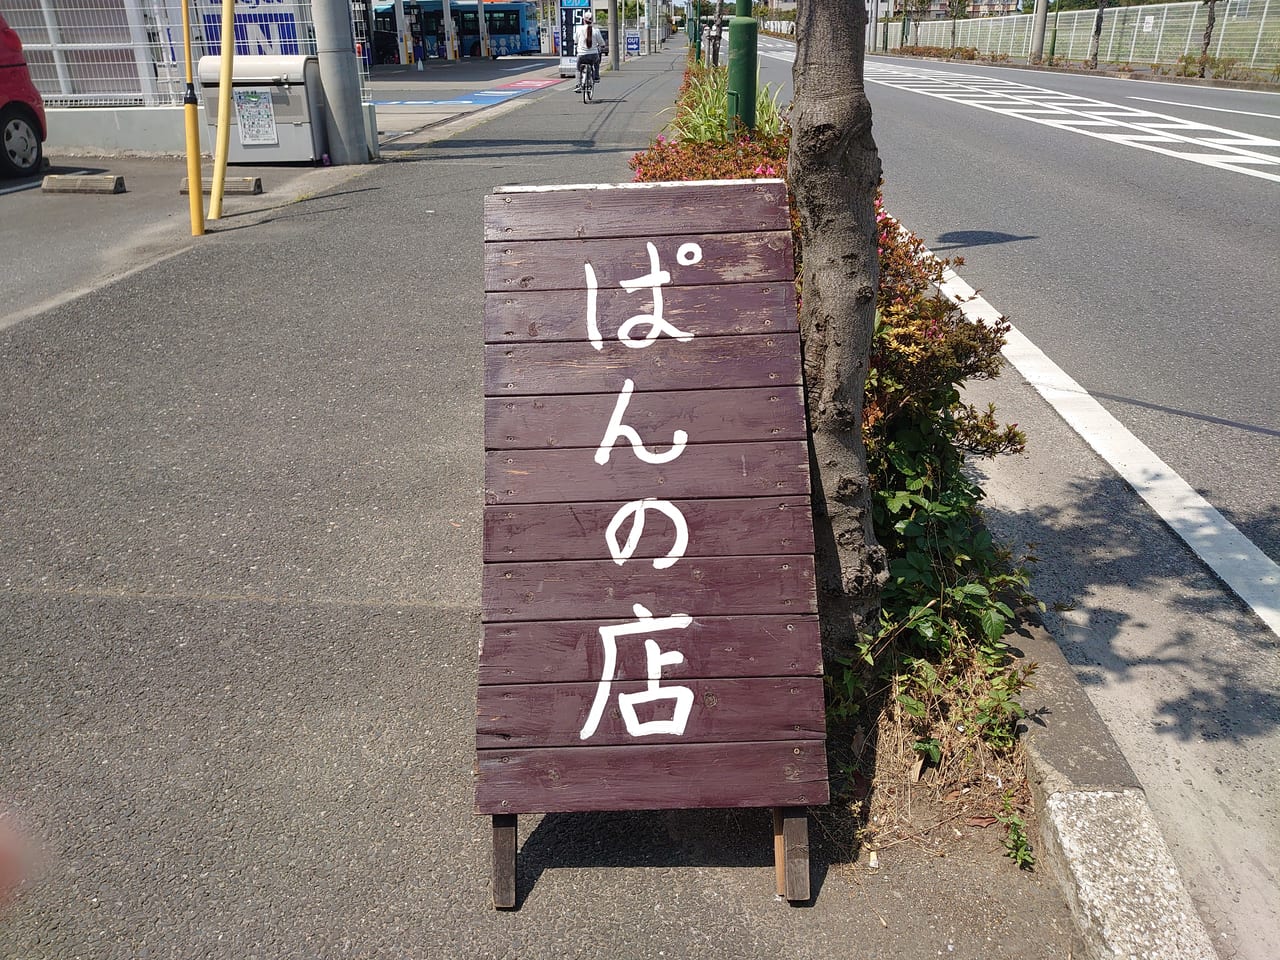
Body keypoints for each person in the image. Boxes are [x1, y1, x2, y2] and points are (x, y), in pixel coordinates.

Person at [573, 13, 601, 93]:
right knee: (596, 62)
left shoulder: (579, 29)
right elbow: (601, 42)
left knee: (578, 69)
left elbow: (575, 40)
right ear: (592, 21)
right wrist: (600, 45)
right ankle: (596, 77)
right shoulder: (596, 30)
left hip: (581, 55)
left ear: (584, 20)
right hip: (593, 55)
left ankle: (578, 84)